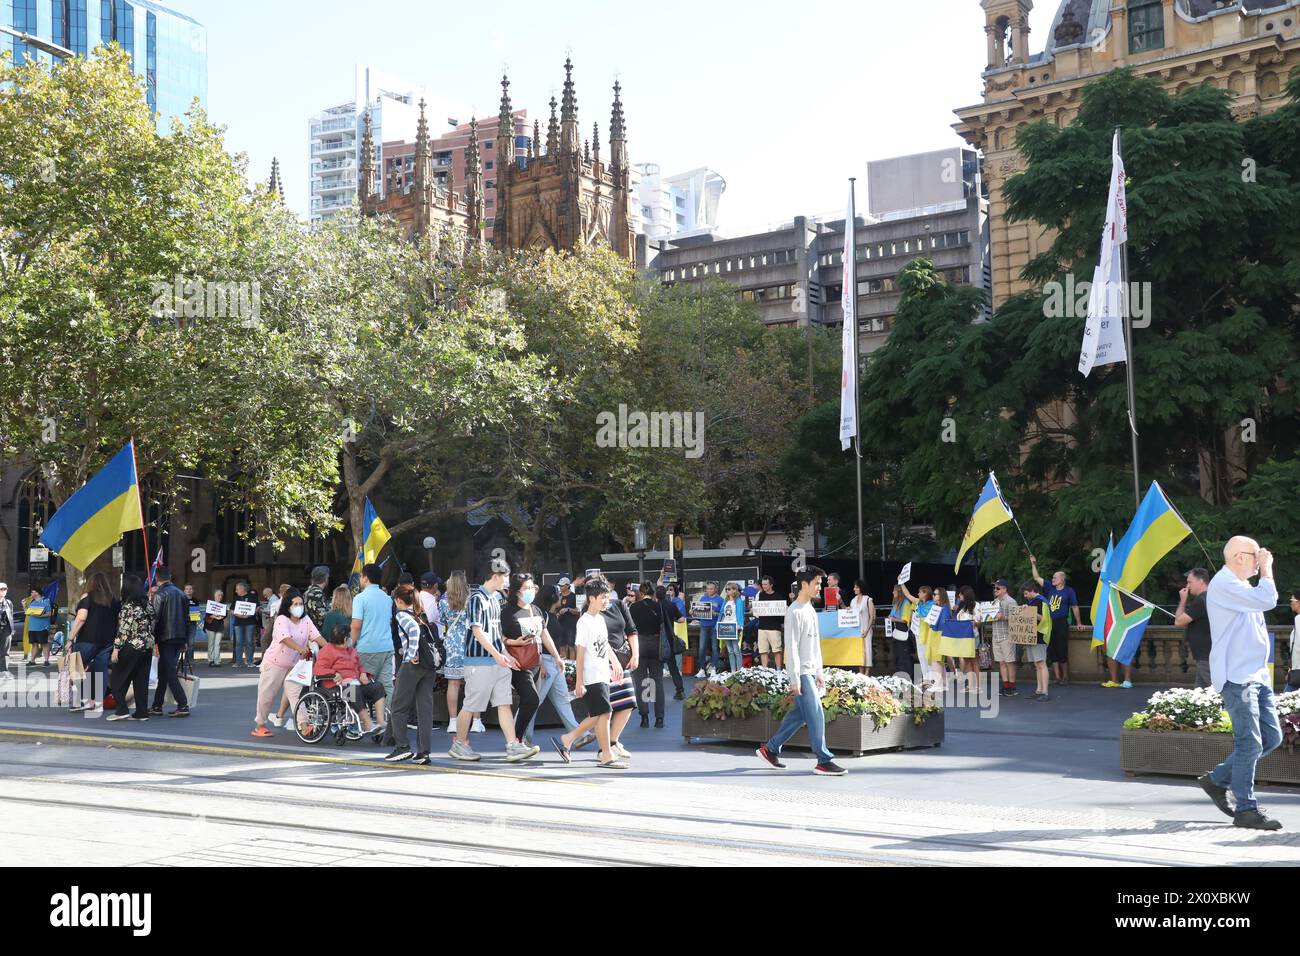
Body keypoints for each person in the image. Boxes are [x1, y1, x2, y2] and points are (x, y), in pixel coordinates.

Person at [1198, 536, 1283, 830]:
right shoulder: (1225, 584)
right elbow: (1269, 599)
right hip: (1236, 676)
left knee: (1272, 739)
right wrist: (1268, 568)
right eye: (1255, 555)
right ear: (1238, 557)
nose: (1260, 559)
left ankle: (1217, 780)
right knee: (1250, 743)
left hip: (1255, 675)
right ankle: (1246, 809)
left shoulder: (1240, 585)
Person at [755, 566, 846, 776]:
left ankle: (770, 749)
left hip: (810, 671)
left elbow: (815, 645)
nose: (819, 587)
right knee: (815, 714)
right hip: (802, 673)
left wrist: (819, 672)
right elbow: (792, 647)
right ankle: (824, 760)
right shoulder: (793, 611)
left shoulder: (810, 610)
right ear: (804, 585)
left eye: (820, 584)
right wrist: (795, 678)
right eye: (817, 583)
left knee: (799, 715)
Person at [450, 563, 534, 763]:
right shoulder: (477, 600)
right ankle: (459, 744)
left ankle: (513, 745)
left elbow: (496, 634)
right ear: (495, 576)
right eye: (505, 577)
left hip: (497, 661)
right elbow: (477, 631)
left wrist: (504, 654)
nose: (507, 581)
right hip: (480, 663)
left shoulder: (495, 600)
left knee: (504, 702)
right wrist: (499, 655)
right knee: (471, 705)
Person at [551, 577, 627, 769]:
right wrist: (579, 681)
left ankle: (569, 739)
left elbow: (605, 644)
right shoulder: (584, 622)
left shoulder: (600, 619)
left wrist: (615, 661)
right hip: (592, 675)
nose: (606, 601)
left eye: (607, 597)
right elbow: (580, 652)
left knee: (601, 714)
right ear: (591, 598)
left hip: (602, 673)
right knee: (604, 713)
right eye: (602, 597)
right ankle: (605, 755)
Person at [251, 587, 320, 737]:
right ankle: (260, 725)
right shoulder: (282, 619)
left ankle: (304, 725)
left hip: (294, 665)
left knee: (295, 695)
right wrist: (300, 648)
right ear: (288, 606)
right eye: (295, 604)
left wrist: (332, 649)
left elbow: (316, 636)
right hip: (275, 663)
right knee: (266, 696)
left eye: (300, 603)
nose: (298, 607)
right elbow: (284, 638)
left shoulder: (306, 620)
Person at [385, 584, 439, 763]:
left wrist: (411, 653)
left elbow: (413, 632)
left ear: (399, 600)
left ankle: (402, 747)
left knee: (398, 705)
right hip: (428, 664)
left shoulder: (401, 615)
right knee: (424, 709)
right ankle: (424, 752)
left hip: (413, 665)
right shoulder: (420, 614)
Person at [525, 584, 580, 743]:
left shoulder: (550, 615)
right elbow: (537, 640)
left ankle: (578, 735)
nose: (561, 596)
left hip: (554, 662)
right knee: (533, 702)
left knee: (563, 700)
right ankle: (520, 735)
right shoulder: (542, 615)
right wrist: (541, 663)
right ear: (552, 598)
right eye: (558, 594)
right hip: (546, 662)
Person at [499, 574, 548, 754]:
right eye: (526, 588)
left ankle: (518, 740)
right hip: (516, 663)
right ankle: (516, 741)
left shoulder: (535, 609)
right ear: (517, 591)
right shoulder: (507, 612)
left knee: (529, 702)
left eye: (532, 587)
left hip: (535, 661)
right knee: (531, 699)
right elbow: (498, 637)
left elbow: (543, 635)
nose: (530, 591)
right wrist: (514, 642)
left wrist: (556, 657)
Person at [314, 624, 385, 736]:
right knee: (353, 690)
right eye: (349, 636)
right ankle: (368, 724)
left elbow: (359, 665)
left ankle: (381, 723)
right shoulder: (327, 650)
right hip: (336, 688)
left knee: (378, 687)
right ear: (346, 639)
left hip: (355, 683)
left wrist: (363, 673)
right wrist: (334, 673)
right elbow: (318, 670)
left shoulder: (351, 650)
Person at [67, 571, 121, 713]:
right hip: (107, 642)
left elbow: (81, 619)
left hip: (87, 640)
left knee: (75, 667)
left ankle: (84, 700)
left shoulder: (87, 597)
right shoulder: (115, 601)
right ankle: (97, 703)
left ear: (91, 584)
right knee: (101, 671)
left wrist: (70, 638)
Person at [351, 563, 396, 727]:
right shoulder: (387, 599)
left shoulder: (360, 598)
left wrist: (350, 644)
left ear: (365, 578)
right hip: (386, 646)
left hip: (367, 647)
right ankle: (392, 720)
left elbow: (356, 625)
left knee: (356, 686)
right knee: (386, 686)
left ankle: (361, 722)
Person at [439, 572, 482, 736]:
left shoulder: (444, 600)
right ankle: (476, 721)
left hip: (452, 645)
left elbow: (442, 620)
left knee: (453, 684)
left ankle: (452, 722)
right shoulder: (472, 599)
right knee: (474, 684)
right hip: (471, 643)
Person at [105, 574, 153, 722]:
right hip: (147, 645)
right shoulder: (147, 605)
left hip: (131, 646)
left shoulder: (128, 607)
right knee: (141, 680)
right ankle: (141, 712)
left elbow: (123, 631)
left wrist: (116, 650)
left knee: (117, 678)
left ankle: (122, 710)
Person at [1030, 557, 1082, 686]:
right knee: (1051, 649)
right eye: (1053, 578)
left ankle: (1065, 676)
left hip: (1061, 622)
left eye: (1055, 578)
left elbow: (1075, 606)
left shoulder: (1069, 591)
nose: (1053, 579)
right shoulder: (1050, 589)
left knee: (1062, 649)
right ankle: (1057, 676)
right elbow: (1036, 577)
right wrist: (1033, 564)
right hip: (1049, 622)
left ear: (1062, 580)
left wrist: (1079, 622)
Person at [148, 566, 190, 717]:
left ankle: (183, 703)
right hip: (178, 636)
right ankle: (157, 705)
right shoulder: (181, 594)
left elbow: (155, 619)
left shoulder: (159, 595)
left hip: (165, 637)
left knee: (169, 671)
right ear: (170, 576)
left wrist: (151, 639)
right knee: (164, 671)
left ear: (157, 578)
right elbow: (187, 619)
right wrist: (185, 640)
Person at [629, 582, 666, 728]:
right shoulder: (659, 606)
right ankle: (660, 718)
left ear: (640, 593)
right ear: (653, 592)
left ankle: (644, 717)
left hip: (640, 644)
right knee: (658, 682)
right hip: (656, 644)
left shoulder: (634, 607)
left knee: (640, 683)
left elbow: (629, 627)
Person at [1173, 568, 1212, 689]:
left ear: (1200, 582)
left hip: (1206, 655)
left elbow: (1178, 622)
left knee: (1217, 690)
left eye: (1190, 582)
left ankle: (1233, 708)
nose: (1187, 586)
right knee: (1200, 692)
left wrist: (1183, 600)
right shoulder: (1210, 597)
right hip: (1206, 653)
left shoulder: (1201, 601)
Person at [940, 585, 979, 694]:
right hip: (962, 638)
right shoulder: (960, 607)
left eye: (961, 594)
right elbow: (957, 621)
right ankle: (970, 685)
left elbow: (979, 622)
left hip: (972, 637)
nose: (959, 596)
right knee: (966, 661)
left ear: (966, 595)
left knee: (974, 661)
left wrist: (974, 623)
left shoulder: (976, 606)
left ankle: (977, 685)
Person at [1021, 580, 1051, 701]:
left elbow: (1043, 618)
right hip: (1033, 636)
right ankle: (1039, 690)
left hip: (1040, 635)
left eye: (1026, 593)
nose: (1025, 596)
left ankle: (1045, 692)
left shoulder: (1041, 601)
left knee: (1041, 663)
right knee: (1037, 664)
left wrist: (1029, 610)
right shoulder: (1033, 601)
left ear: (1033, 591)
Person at [990, 579, 1020, 697]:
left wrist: (1004, 616)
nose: (995, 590)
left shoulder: (1011, 601)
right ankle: (1006, 686)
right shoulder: (994, 602)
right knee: (1001, 662)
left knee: (1009, 662)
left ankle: (1012, 687)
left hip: (1007, 636)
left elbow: (1017, 618)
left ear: (1004, 589)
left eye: (997, 588)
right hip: (996, 635)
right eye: (994, 588)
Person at [656, 584, 686, 699]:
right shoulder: (671, 605)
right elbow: (682, 619)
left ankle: (655, 693)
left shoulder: (654, 606)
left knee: (656, 669)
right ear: (666, 594)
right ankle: (680, 690)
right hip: (669, 640)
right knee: (673, 668)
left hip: (656, 640)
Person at [887, 584, 917, 682]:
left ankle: (907, 678)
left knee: (904, 657)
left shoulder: (905, 603)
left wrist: (894, 619)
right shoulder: (896, 603)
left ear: (898, 592)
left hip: (903, 631)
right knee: (899, 657)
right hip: (897, 632)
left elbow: (906, 620)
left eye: (894, 591)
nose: (892, 592)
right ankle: (900, 677)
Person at [755, 576, 785, 670]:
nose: (763, 586)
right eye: (762, 584)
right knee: (763, 650)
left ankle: (779, 670)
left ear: (771, 584)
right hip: (762, 626)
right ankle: (764, 670)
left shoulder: (778, 596)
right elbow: (757, 609)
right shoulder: (760, 595)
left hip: (774, 627)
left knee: (777, 650)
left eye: (765, 584)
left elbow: (783, 611)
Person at [694, 581, 724, 674]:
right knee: (702, 648)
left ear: (715, 589)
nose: (709, 590)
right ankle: (702, 669)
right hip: (704, 625)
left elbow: (723, 614)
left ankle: (714, 668)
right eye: (708, 589)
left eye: (711, 589)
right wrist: (693, 611)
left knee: (715, 648)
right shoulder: (703, 598)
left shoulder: (720, 599)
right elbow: (698, 611)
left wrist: (716, 613)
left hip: (714, 626)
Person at [717, 582, 747, 673]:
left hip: (734, 626)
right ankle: (733, 671)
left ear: (735, 590)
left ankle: (740, 670)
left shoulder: (739, 601)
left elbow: (741, 614)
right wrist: (718, 624)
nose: (728, 591)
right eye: (727, 589)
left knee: (736, 650)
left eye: (730, 589)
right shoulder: (725, 601)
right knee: (730, 650)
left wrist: (740, 625)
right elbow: (722, 614)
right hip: (725, 626)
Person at [230, 581, 257, 669]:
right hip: (238, 623)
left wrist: (249, 614)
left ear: (242, 588)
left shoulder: (252, 597)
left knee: (249, 642)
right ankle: (238, 662)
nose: (236, 591)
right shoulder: (235, 598)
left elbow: (258, 608)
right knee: (238, 642)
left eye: (237, 589)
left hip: (250, 622)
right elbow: (231, 610)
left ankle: (250, 661)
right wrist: (238, 615)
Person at [850, 579, 874, 675]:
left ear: (861, 588)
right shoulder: (853, 601)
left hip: (866, 629)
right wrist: (840, 601)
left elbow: (871, 616)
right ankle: (861, 673)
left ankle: (867, 674)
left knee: (867, 650)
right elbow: (850, 613)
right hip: (857, 630)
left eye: (856, 587)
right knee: (859, 651)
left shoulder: (868, 599)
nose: (854, 589)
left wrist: (867, 630)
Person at [23, 586, 52, 666]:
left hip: (42, 627)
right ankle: (32, 661)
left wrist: (39, 616)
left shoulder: (45, 601)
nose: (31, 594)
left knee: (44, 644)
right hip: (32, 627)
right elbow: (28, 613)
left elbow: (49, 613)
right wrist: (24, 605)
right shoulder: (32, 603)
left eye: (33, 592)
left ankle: (46, 661)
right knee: (34, 644)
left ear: (37, 593)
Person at [553, 576, 579, 661]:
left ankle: (572, 668)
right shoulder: (558, 597)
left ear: (568, 586)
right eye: (559, 586)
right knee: (561, 646)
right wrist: (556, 614)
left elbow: (578, 611)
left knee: (571, 646)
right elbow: (553, 609)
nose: (560, 587)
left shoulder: (574, 596)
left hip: (571, 625)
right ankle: (563, 668)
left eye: (562, 585)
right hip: (560, 624)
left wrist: (568, 609)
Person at [321, 585, 353, 654]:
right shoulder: (355, 615)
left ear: (335, 598)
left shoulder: (331, 615)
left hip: (336, 653)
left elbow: (325, 636)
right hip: (353, 652)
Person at [203, 589, 227, 667]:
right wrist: (213, 616)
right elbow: (207, 615)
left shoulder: (223, 606)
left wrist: (220, 617)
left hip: (219, 626)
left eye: (221, 595)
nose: (220, 597)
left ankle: (217, 660)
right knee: (211, 644)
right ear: (214, 596)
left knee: (217, 644)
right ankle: (210, 660)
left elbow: (224, 615)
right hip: (210, 626)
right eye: (218, 595)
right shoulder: (210, 604)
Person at [303, 566, 331, 631]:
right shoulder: (317, 593)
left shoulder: (308, 591)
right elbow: (322, 615)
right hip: (316, 631)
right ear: (325, 578)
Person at [1284, 590, 1300, 694]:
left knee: (1285, 700)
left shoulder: (1298, 619)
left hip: (1298, 669)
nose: (1291, 602)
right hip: (1296, 669)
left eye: (1292, 600)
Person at [0, 583, 15, 680]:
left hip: (6, 629)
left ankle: (4, 670)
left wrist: (11, 630)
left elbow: (11, 617)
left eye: (5, 589)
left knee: (5, 651)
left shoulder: (8, 602)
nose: (3, 591)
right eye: (1, 589)